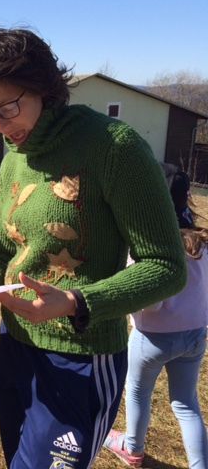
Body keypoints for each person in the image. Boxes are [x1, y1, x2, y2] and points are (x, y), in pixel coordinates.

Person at [0, 24, 187, 469]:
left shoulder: (113, 147)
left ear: (44, 89)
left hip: (82, 360)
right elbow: (4, 255)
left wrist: (74, 301)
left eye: (7, 108)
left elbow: (166, 266)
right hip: (15, 346)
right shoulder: (13, 157)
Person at [103, 168, 208, 468]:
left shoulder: (151, 244)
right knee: (187, 403)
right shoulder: (202, 241)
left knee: (136, 391)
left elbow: (152, 301)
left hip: (152, 338)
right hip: (195, 335)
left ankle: (132, 448)